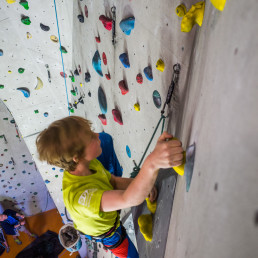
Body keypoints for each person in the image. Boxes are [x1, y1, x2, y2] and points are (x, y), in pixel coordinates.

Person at [36, 116, 183, 258]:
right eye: (91, 137)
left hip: (102, 214)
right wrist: (152, 163)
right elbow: (128, 199)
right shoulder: (81, 199)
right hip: (109, 233)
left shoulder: (87, 163)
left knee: (106, 140)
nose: (97, 135)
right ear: (77, 157)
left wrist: (138, 184)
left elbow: (112, 182)